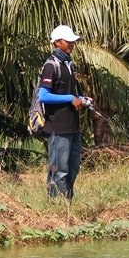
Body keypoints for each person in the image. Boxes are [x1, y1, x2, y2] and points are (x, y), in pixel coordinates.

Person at [37, 24, 92, 200]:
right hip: (58, 127)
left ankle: (67, 205)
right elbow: (43, 96)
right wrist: (70, 99)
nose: (72, 44)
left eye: (73, 41)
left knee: (73, 168)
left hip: (72, 126)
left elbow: (68, 93)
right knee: (58, 170)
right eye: (68, 41)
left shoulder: (68, 64)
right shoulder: (51, 65)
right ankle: (55, 207)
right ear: (57, 42)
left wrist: (81, 99)